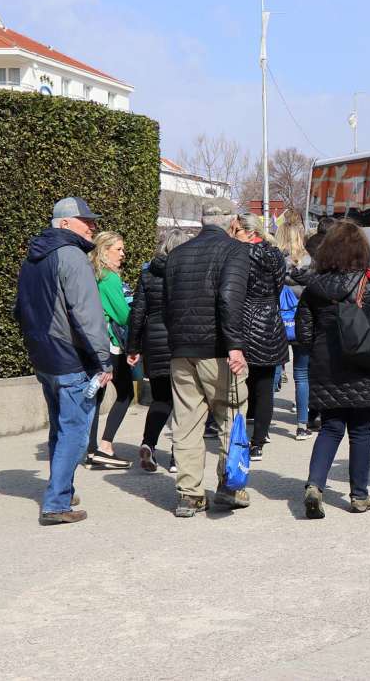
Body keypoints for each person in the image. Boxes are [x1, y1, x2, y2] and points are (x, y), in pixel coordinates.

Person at [14, 197, 113, 524]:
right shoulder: (72, 256)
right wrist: (103, 361)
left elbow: (20, 310)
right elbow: (88, 316)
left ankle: (64, 489)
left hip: (44, 356)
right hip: (71, 359)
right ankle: (57, 503)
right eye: (85, 221)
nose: (92, 226)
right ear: (65, 224)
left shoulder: (32, 258)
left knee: (60, 427)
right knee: (74, 431)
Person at [298, 221, 370, 518]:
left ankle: (315, 485)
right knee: (362, 430)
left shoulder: (314, 286)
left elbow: (304, 334)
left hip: (326, 364)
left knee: (330, 428)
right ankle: (359, 495)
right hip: (364, 364)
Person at [163, 205, 251, 518]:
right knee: (230, 416)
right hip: (218, 350)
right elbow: (229, 298)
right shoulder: (236, 251)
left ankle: (189, 495)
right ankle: (229, 487)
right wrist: (236, 346)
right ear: (234, 222)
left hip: (182, 350)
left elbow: (167, 303)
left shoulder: (176, 254)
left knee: (185, 423)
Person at [126, 229, 191, 473]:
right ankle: (177, 456)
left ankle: (148, 443)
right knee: (185, 401)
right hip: (180, 340)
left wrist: (133, 347)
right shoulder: (187, 274)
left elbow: (137, 312)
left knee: (160, 397)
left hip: (154, 342)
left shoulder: (148, 274)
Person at [234, 213, 288, 462]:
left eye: (236, 230)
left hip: (245, 316)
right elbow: (278, 286)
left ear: (249, 232)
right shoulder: (275, 254)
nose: (232, 235)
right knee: (265, 384)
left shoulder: (240, 255)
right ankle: (259, 440)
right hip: (269, 318)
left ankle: (241, 436)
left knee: (241, 383)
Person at [85, 231, 134, 469]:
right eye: (119, 249)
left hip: (91, 343)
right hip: (111, 345)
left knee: (97, 396)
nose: (123, 255)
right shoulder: (110, 278)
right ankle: (105, 446)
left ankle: (91, 450)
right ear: (104, 251)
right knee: (125, 393)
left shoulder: (90, 274)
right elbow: (124, 316)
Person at [276, 217, 315, 440]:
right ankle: (302, 424)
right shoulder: (309, 261)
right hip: (303, 321)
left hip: (279, 321)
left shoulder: (274, 261)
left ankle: (263, 425)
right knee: (302, 375)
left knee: (273, 371)